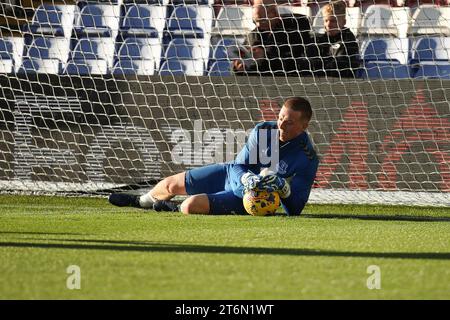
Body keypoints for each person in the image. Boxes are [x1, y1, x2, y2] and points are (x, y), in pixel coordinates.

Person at [109, 97, 319, 216]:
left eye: (289, 122)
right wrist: (246, 178)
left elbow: (295, 209)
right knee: (170, 185)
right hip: (231, 176)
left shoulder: (307, 158)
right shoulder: (264, 131)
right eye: (281, 117)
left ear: (304, 125)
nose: (281, 124)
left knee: (191, 206)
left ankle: (171, 209)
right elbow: (239, 166)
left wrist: (283, 188)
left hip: (246, 199)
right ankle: (141, 201)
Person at [232, 0, 312, 76]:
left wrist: (264, 56)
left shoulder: (294, 29)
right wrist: (237, 68)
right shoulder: (253, 35)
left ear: (274, 14)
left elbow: (298, 62)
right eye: (255, 21)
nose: (258, 25)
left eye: (262, 20)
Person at [305, 0, 360, 78]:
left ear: (343, 22)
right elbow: (309, 63)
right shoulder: (319, 39)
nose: (328, 24)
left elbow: (341, 66)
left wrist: (319, 65)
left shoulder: (348, 40)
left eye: (333, 21)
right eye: (326, 20)